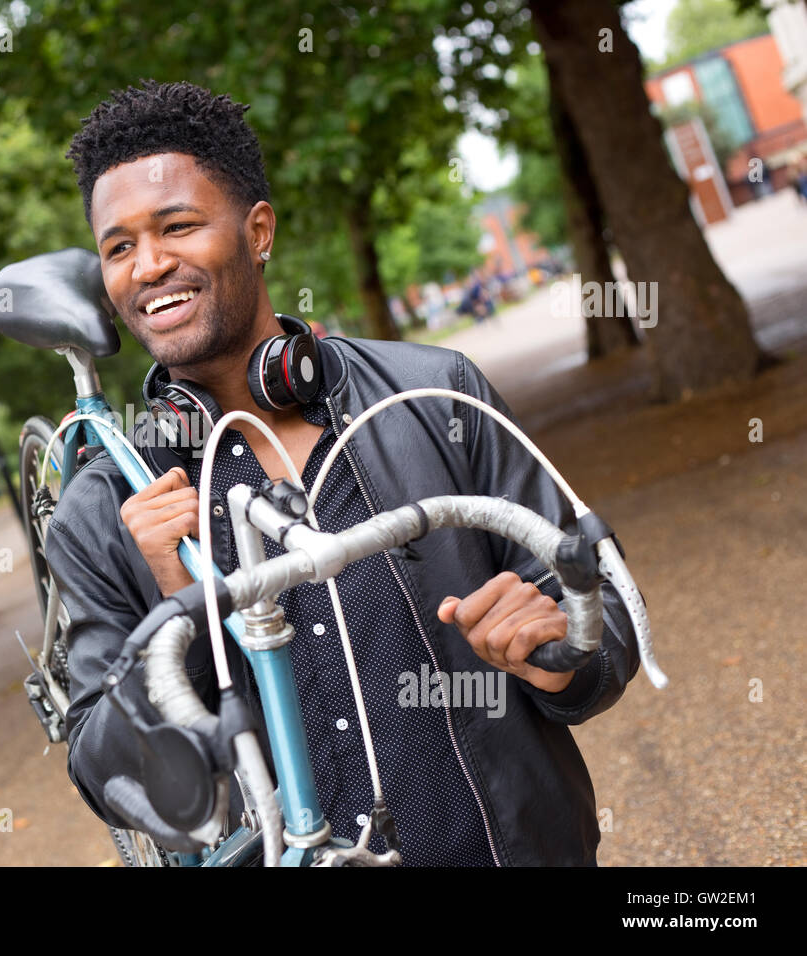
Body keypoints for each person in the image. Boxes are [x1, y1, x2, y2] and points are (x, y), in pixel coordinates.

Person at [45, 80, 639, 866]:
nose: (148, 266)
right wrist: (173, 602)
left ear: (258, 231)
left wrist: (555, 651)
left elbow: (607, 613)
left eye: (177, 227)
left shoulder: (438, 393)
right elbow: (105, 773)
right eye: (119, 246)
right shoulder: (102, 508)